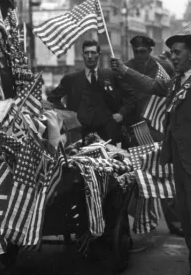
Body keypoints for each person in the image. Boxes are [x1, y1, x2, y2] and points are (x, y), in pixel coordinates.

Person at [111, 29, 191, 274]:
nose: (174, 57)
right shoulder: (178, 81)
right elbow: (152, 85)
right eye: (173, 53)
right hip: (178, 157)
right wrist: (125, 71)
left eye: (178, 53)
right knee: (186, 212)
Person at [47, 39, 136, 144]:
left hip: (107, 133)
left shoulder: (111, 75)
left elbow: (131, 95)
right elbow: (52, 99)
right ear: (82, 55)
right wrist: (67, 115)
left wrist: (121, 114)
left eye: (93, 53)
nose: (89, 56)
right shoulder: (70, 79)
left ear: (99, 54)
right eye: (86, 53)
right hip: (79, 134)